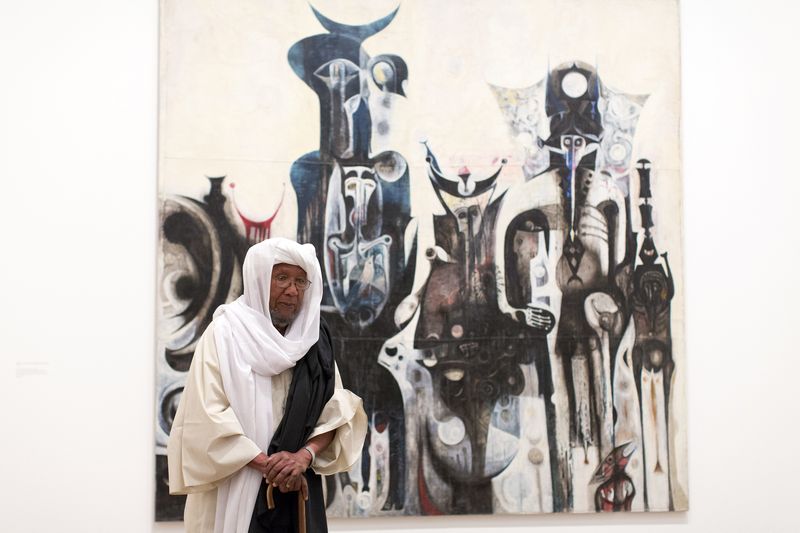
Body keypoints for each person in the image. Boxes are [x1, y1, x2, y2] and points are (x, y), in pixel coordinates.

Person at [167, 237, 367, 533]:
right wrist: (269, 466)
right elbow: (206, 415)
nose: (292, 290)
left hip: (298, 485)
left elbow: (335, 412)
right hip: (235, 483)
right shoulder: (224, 333)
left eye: (301, 281)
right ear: (259, 279)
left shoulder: (314, 341)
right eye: (282, 277)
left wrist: (303, 457)